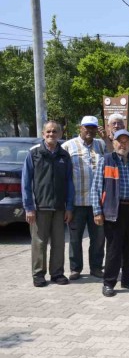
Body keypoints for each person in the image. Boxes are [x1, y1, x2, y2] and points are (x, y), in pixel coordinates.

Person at [91, 130, 129, 297]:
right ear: (114, 143)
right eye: (119, 141)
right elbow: (96, 187)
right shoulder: (106, 160)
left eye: (126, 141)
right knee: (114, 249)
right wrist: (97, 211)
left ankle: (128, 280)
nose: (123, 144)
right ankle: (109, 283)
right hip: (114, 210)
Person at [22, 120, 74, 287]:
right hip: (39, 207)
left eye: (54, 131)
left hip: (59, 208)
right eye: (48, 131)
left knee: (59, 243)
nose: (51, 134)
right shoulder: (34, 153)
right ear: (43, 134)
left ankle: (57, 273)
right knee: (39, 243)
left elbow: (69, 182)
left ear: (59, 134)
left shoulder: (64, 156)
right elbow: (26, 182)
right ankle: (38, 274)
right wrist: (29, 207)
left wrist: (69, 207)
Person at [62, 115, 106, 280]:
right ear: (80, 128)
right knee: (75, 238)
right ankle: (75, 269)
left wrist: (106, 138)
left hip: (97, 203)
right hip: (77, 202)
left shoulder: (101, 145)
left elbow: (113, 157)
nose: (90, 130)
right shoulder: (68, 146)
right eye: (87, 127)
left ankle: (96, 267)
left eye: (93, 127)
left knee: (98, 238)